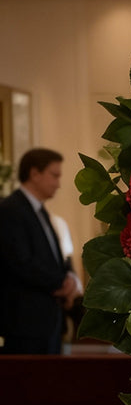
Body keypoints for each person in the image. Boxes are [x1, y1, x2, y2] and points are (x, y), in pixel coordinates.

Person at [0, 148, 80, 354]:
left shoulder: (40, 212)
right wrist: (60, 282)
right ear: (34, 174)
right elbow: (20, 261)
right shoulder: (10, 209)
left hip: (48, 316)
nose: (58, 184)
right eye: (54, 175)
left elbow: (52, 256)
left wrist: (67, 278)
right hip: (25, 320)